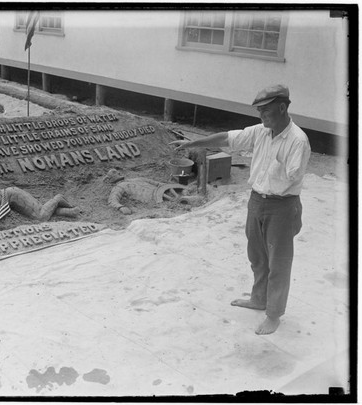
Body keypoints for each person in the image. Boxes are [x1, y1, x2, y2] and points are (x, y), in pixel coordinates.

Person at [170, 84, 311, 335]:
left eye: (265, 111)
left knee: (278, 263)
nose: (261, 116)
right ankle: (259, 298)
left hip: (282, 205)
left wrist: (273, 165)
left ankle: (274, 314)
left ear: (281, 108)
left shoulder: (297, 141)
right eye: (259, 111)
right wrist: (194, 142)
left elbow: (292, 177)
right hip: (257, 201)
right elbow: (228, 138)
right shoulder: (260, 132)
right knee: (257, 255)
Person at [104, 169, 188, 215]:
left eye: (116, 171)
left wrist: (179, 188)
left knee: (182, 199)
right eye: (114, 173)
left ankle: (186, 198)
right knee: (180, 203)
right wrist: (120, 207)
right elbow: (112, 200)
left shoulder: (137, 178)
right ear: (110, 178)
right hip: (154, 202)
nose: (118, 172)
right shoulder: (119, 187)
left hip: (164, 193)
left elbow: (159, 184)